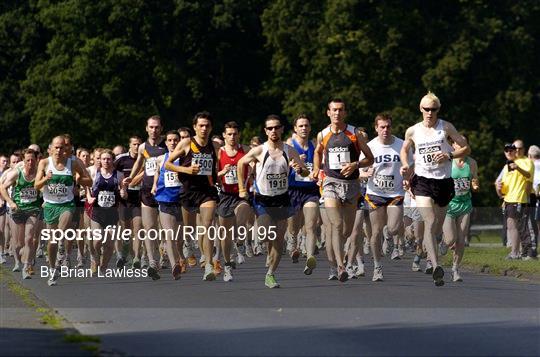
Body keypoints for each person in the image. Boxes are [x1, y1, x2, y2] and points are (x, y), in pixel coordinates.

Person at [400, 92, 470, 286]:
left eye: (433, 109)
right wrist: (405, 164)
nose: (429, 113)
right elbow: (405, 149)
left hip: (444, 182)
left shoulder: (446, 127)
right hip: (422, 181)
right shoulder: (413, 130)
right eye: (426, 109)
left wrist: (450, 155)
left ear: (438, 110)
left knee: (437, 227)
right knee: (429, 221)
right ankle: (436, 265)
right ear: (420, 109)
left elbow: (466, 149)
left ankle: (432, 253)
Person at [237, 114, 309, 288]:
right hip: (263, 199)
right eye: (269, 128)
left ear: (282, 129)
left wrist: (301, 169)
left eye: (276, 127)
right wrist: (241, 188)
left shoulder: (289, 150)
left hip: (282, 199)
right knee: (265, 233)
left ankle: (270, 274)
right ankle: (260, 243)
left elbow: (305, 172)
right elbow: (241, 163)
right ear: (265, 131)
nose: (273, 131)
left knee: (277, 240)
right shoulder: (260, 150)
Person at [313, 98, 374, 282]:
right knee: (337, 225)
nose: (337, 113)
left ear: (345, 112)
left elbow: (370, 158)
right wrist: (317, 169)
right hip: (331, 182)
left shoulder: (355, 133)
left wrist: (355, 164)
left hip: (351, 185)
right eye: (334, 110)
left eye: (340, 110)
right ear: (328, 112)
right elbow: (317, 151)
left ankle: (338, 259)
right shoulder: (323, 134)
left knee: (346, 231)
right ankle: (340, 267)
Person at [165, 111, 221, 281]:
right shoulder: (186, 143)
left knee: (207, 225)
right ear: (195, 127)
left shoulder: (215, 146)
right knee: (188, 231)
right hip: (188, 192)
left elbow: (217, 168)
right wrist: (186, 170)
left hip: (207, 192)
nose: (204, 128)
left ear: (211, 128)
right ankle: (187, 251)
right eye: (201, 125)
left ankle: (209, 264)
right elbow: (168, 164)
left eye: (207, 126)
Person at [35, 135, 92, 286]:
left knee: (61, 231)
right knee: (51, 242)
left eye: (62, 147)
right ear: (51, 148)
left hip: (67, 204)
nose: (59, 150)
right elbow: (36, 186)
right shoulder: (44, 163)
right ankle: (53, 269)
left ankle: (62, 244)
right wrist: (45, 179)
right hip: (50, 205)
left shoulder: (72, 163)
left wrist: (79, 180)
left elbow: (89, 181)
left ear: (66, 148)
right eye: (57, 147)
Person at [362, 113, 405, 282]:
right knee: (376, 231)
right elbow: (358, 169)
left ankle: (389, 236)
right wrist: (366, 173)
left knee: (393, 228)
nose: (385, 130)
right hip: (375, 193)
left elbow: (412, 166)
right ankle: (377, 267)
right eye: (382, 127)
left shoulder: (401, 145)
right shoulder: (369, 146)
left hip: (395, 193)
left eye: (388, 126)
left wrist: (407, 172)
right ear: (376, 128)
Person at [123, 116, 166, 280]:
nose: (154, 130)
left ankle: (164, 254)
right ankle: (152, 261)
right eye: (151, 127)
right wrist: (130, 178)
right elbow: (139, 163)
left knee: (164, 229)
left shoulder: (166, 146)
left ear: (161, 128)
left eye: (157, 127)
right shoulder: (143, 147)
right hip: (147, 190)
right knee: (149, 228)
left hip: (164, 190)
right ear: (146, 128)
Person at [216, 121, 252, 281]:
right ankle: (228, 265)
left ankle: (240, 240)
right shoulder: (219, 152)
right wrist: (221, 172)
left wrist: (254, 168)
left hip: (241, 195)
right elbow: (211, 175)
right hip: (224, 195)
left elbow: (258, 162)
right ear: (224, 135)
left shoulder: (246, 150)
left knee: (242, 214)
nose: (232, 137)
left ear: (239, 135)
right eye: (229, 134)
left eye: (235, 134)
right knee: (225, 235)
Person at [286, 114, 320, 275]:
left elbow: (319, 167)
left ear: (310, 128)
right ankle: (293, 241)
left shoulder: (315, 146)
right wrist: (291, 163)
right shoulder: (288, 146)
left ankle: (310, 257)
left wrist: (316, 173)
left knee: (311, 225)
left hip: (310, 191)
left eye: (306, 125)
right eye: (301, 126)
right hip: (292, 190)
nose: (304, 128)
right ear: (295, 128)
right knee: (293, 226)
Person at [442, 137, 479, 281]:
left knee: (461, 240)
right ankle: (444, 242)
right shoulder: (448, 162)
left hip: (465, 204)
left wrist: (475, 185)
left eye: (464, 143)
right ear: (453, 146)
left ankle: (455, 269)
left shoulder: (472, 163)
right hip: (449, 205)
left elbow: (474, 179)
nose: (462, 146)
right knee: (451, 239)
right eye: (459, 143)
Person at [0, 149, 42, 279]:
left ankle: (26, 267)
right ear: (24, 161)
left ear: (37, 160)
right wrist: (10, 201)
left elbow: (46, 187)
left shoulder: (40, 174)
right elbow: (2, 187)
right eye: (28, 160)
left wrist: (46, 200)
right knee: (18, 244)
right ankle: (18, 261)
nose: (30, 163)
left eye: (32, 160)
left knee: (29, 238)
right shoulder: (17, 173)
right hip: (18, 210)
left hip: (33, 209)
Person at [87, 149, 126, 274]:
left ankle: (103, 265)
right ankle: (94, 258)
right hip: (97, 212)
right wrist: (89, 196)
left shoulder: (119, 175)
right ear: (99, 160)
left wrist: (123, 192)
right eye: (103, 159)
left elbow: (124, 194)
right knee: (97, 240)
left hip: (112, 213)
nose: (105, 161)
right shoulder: (94, 172)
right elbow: (86, 185)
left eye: (108, 159)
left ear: (112, 160)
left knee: (109, 244)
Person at [152, 131, 184, 280]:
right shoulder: (160, 158)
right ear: (166, 143)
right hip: (165, 199)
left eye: (175, 140)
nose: (173, 143)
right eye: (170, 140)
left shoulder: (184, 158)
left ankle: (181, 257)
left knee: (179, 237)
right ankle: (174, 265)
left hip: (182, 200)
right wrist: (154, 186)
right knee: (170, 235)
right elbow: (157, 173)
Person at [498, 142, 535, 259]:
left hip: (519, 199)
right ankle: (516, 252)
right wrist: (499, 189)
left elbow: (528, 177)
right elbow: (505, 188)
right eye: (507, 150)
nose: (511, 151)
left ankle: (525, 253)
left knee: (521, 227)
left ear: (523, 149)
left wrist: (517, 168)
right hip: (509, 199)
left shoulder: (526, 162)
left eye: (513, 149)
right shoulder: (507, 166)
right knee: (512, 226)